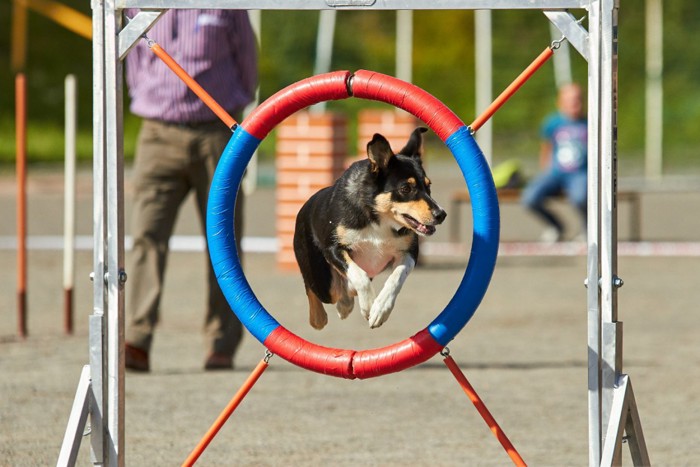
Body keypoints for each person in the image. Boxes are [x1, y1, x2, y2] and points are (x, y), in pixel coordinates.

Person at [123, 9, 258, 371]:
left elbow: (247, 61)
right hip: (157, 132)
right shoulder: (137, 3)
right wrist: (152, 99)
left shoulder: (225, 5)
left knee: (223, 240)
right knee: (146, 236)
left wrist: (234, 112)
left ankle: (221, 343)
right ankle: (136, 339)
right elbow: (132, 58)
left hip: (215, 132)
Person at [521, 83, 588, 243]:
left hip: (580, 173)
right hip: (556, 172)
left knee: (580, 197)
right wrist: (546, 171)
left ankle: (588, 229)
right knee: (530, 198)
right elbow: (546, 149)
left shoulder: (590, 122)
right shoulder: (552, 123)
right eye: (570, 101)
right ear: (560, 103)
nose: (574, 104)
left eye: (577, 100)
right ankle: (556, 226)